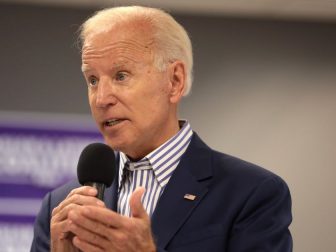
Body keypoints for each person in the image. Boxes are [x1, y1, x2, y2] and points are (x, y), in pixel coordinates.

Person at [30, 6, 292, 252]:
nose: (101, 98)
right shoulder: (60, 207)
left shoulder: (251, 194)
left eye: (121, 76)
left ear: (174, 81)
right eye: (93, 80)